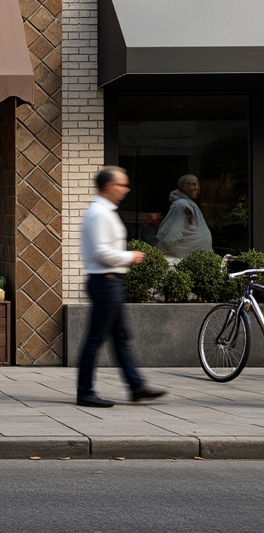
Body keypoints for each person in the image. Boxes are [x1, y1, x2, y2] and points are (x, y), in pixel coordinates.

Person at [76, 166, 166, 408]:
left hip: (110, 282)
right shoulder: (99, 214)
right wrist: (129, 256)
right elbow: (101, 252)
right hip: (105, 282)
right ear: (108, 186)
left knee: (121, 337)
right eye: (122, 185)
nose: (125, 190)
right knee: (95, 339)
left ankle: (136, 386)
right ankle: (85, 392)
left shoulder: (105, 212)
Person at [156, 174, 212, 260]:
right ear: (183, 187)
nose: (197, 188)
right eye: (193, 184)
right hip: (185, 260)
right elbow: (170, 236)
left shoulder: (188, 204)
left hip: (198, 259)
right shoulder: (180, 206)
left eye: (198, 184)